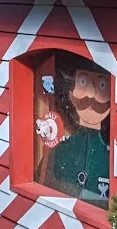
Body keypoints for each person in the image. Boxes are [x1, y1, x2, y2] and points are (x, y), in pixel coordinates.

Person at [40, 63, 110, 203]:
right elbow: (48, 182)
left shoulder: (113, 154)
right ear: (70, 93)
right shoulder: (62, 146)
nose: (90, 94)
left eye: (102, 84)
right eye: (83, 82)